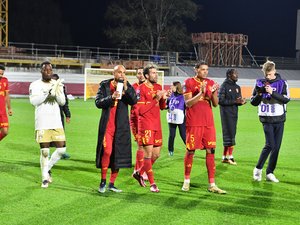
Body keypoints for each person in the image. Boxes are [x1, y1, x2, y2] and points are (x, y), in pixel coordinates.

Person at [181, 61, 226, 194]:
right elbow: (188, 104)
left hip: (208, 123)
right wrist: (200, 93)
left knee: (211, 151)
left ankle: (212, 184)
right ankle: (186, 181)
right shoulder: (188, 82)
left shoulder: (211, 82)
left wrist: (213, 92)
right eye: (202, 69)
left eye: (206, 70)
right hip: (194, 122)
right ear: (196, 70)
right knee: (191, 151)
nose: (205, 72)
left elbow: (216, 104)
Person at [95, 65, 137, 193]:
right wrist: (111, 97)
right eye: (119, 72)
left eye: (124, 73)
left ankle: (112, 183)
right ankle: (103, 181)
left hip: (121, 127)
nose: (122, 75)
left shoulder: (127, 85)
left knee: (118, 154)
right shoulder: (104, 85)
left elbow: (134, 101)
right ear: (114, 73)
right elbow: (98, 102)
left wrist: (126, 88)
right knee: (107, 152)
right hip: (107, 126)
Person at [132, 63, 170, 193]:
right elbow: (140, 110)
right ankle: (153, 184)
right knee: (148, 154)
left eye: (156, 73)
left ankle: (139, 172)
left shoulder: (159, 87)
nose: (156, 75)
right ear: (147, 75)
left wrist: (164, 98)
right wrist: (156, 99)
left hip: (157, 124)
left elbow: (162, 107)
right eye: (153, 73)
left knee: (156, 154)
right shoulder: (140, 89)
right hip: (146, 124)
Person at [29, 61, 67, 188]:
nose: (48, 72)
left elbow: (62, 102)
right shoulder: (35, 85)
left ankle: (47, 168)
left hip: (56, 121)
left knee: (62, 149)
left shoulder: (56, 84)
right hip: (42, 121)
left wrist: (56, 93)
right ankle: (44, 178)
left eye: (50, 70)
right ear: (41, 71)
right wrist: (46, 94)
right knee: (45, 151)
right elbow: (34, 101)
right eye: (45, 70)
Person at [251, 60, 290, 183]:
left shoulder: (282, 83)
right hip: (266, 118)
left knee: (276, 147)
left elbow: (285, 99)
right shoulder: (259, 83)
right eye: (265, 74)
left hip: (279, 118)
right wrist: (259, 93)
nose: (267, 77)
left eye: (269, 74)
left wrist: (272, 92)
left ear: (274, 71)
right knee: (270, 145)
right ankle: (257, 169)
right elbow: (253, 102)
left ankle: (270, 172)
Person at [218, 69, 246, 165]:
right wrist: (235, 101)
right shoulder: (224, 86)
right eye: (235, 73)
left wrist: (241, 102)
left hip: (234, 114)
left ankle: (224, 157)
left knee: (231, 134)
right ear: (229, 75)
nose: (237, 75)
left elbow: (237, 101)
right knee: (229, 134)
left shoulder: (237, 87)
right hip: (226, 114)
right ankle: (230, 157)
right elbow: (220, 101)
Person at [130, 67, 148, 180]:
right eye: (139, 73)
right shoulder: (133, 87)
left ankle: (140, 170)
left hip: (147, 120)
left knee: (147, 147)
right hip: (135, 120)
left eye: (142, 73)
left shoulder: (149, 87)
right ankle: (139, 170)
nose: (140, 75)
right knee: (140, 145)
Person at [52, 74, 71, 159]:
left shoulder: (61, 89)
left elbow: (65, 103)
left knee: (61, 133)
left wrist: (67, 115)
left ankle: (62, 151)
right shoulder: (46, 88)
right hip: (49, 115)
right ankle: (47, 151)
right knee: (49, 133)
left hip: (59, 115)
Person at [166, 81, 186, 156]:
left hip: (181, 119)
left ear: (176, 86)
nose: (170, 87)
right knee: (172, 135)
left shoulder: (183, 96)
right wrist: (166, 107)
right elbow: (167, 105)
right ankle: (170, 150)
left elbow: (186, 107)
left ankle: (190, 149)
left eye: (172, 86)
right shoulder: (170, 95)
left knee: (183, 135)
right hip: (171, 118)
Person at [0, 65, 13, 141]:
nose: (0, 75)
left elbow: (7, 96)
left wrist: (9, 108)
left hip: (2, 111)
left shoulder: (5, 80)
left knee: (5, 132)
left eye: (2, 74)